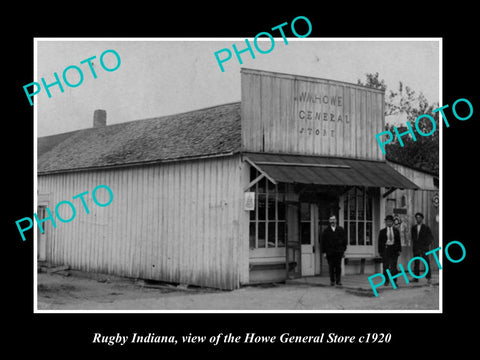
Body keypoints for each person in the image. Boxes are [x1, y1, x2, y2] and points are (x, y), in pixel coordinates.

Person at [321, 215, 347, 286]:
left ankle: (338, 281)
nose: (332, 221)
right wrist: (324, 252)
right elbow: (323, 242)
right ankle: (332, 280)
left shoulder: (341, 229)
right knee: (331, 267)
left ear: (336, 220)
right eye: (331, 220)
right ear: (329, 221)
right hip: (330, 252)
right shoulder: (326, 231)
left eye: (334, 220)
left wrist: (344, 251)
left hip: (339, 252)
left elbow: (344, 241)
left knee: (338, 267)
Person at [378, 215, 401, 287]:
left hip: (394, 250)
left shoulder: (396, 231)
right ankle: (386, 280)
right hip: (386, 249)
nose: (389, 223)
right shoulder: (382, 231)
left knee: (394, 267)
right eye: (387, 221)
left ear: (393, 222)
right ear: (385, 222)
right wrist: (380, 251)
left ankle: (394, 281)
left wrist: (399, 250)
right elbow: (379, 242)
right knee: (386, 266)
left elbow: (398, 241)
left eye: (390, 221)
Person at [411, 212, 434, 283]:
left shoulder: (426, 228)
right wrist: (415, 245)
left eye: (419, 218)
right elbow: (413, 238)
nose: (418, 219)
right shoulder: (413, 228)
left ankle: (428, 278)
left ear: (422, 219)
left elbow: (431, 238)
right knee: (416, 263)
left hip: (424, 248)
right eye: (417, 218)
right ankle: (416, 278)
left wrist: (425, 245)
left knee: (426, 262)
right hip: (416, 248)